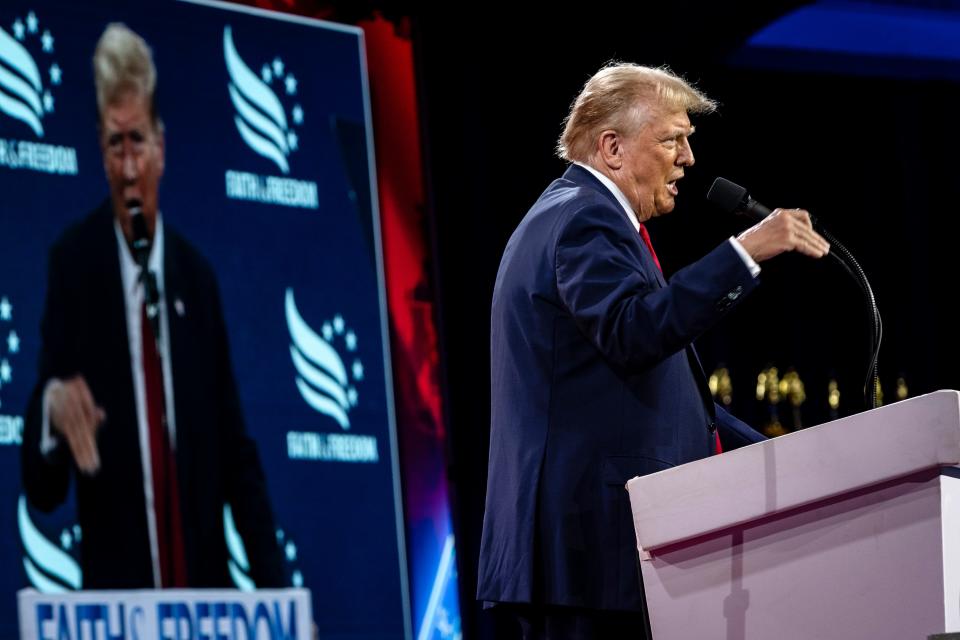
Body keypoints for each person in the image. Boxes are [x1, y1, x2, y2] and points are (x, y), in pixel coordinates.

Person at [477, 63, 830, 638]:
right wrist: (743, 252)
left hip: (590, 556)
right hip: (584, 551)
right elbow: (634, 331)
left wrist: (784, 456)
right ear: (612, 147)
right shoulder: (582, 217)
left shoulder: (581, 214)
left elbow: (650, 387)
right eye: (672, 140)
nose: (688, 159)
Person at [21, 23, 285, 589]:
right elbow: (42, 491)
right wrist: (52, 411)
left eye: (137, 141)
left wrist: (282, 598)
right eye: (115, 145)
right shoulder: (74, 266)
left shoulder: (197, 277)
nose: (129, 167)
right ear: (100, 152)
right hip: (118, 606)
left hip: (204, 604)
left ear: (161, 148)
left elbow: (236, 456)